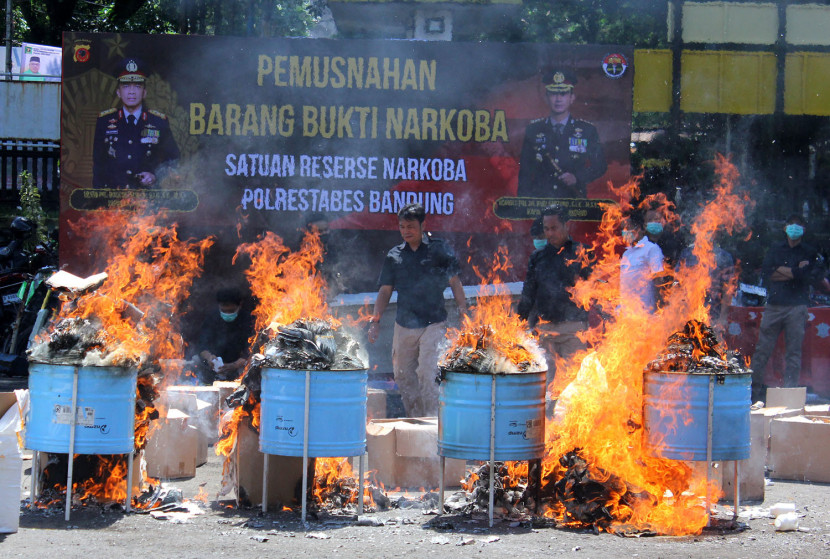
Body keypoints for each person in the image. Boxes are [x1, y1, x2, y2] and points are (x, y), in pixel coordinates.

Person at [368, 203, 467, 417]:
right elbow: (385, 291)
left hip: (433, 323)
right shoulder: (394, 256)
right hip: (404, 325)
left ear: (423, 225)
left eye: (411, 226)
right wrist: (375, 321)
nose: (406, 231)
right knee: (403, 376)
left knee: (428, 374)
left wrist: (464, 313)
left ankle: (432, 424)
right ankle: (415, 421)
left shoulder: (439, 250)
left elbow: (455, 283)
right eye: (402, 227)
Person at [750, 215, 823, 402]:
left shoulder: (809, 251)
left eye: (799, 224)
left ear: (804, 229)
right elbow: (768, 273)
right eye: (791, 224)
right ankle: (753, 393)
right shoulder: (775, 249)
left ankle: (789, 396)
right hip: (774, 305)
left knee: (793, 353)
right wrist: (796, 271)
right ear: (785, 228)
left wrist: (781, 270)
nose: (794, 228)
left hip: (797, 306)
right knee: (762, 351)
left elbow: (809, 276)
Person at [517, 205, 590, 388]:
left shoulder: (582, 253)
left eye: (554, 228)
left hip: (573, 330)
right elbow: (528, 292)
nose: (550, 233)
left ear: (567, 225)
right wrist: (518, 321)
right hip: (545, 330)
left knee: (573, 384)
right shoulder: (537, 257)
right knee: (544, 385)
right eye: (546, 229)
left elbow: (596, 289)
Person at [517, 68, 607, 199]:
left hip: (573, 201)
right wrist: (523, 203)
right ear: (546, 98)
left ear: (572, 98)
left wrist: (577, 177)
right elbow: (525, 172)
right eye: (553, 94)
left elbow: (600, 166)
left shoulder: (587, 131)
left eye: (563, 94)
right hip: (541, 202)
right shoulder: (534, 130)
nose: (558, 99)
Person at [93, 58, 180, 188]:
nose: (131, 91)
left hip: (148, 196)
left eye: (137, 86)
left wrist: (155, 176)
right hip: (114, 195)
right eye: (126, 86)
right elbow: (98, 165)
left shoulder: (158, 121)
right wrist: (99, 196)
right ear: (118, 92)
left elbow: (173, 159)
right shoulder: (104, 121)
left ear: (144, 92)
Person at [195, 287, 255, 384]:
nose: (227, 314)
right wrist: (209, 357)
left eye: (231, 311)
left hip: (239, 369)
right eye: (224, 310)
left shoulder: (248, 320)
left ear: (240, 305)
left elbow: (252, 348)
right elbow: (201, 345)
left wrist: (235, 365)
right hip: (212, 370)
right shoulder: (212, 318)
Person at [619, 211, 666, 315]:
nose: (625, 231)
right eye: (623, 229)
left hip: (645, 312)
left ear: (639, 228)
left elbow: (659, 279)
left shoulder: (651, 249)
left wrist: (660, 306)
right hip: (626, 312)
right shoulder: (626, 253)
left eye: (628, 227)